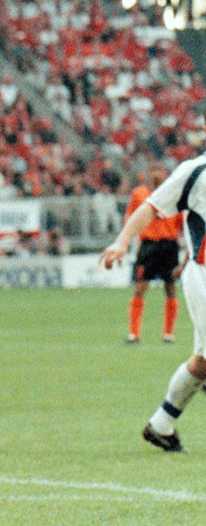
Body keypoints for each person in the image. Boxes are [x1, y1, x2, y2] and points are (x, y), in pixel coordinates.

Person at [101, 152, 206, 452]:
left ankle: (161, 424)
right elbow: (151, 207)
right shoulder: (195, 171)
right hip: (203, 275)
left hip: (189, 259)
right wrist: (122, 242)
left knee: (202, 362)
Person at [123, 167, 186, 344]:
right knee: (140, 287)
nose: (157, 175)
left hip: (169, 244)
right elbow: (131, 218)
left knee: (171, 287)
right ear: (150, 176)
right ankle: (134, 334)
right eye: (154, 172)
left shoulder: (174, 194)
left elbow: (181, 221)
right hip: (148, 245)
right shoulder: (139, 193)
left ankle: (168, 333)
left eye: (161, 173)